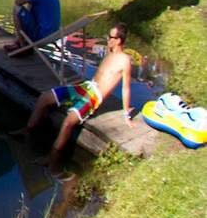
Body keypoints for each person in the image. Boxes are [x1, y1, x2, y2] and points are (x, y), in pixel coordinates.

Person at [18, 23, 133, 174]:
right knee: (44, 98)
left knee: (68, 122)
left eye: (111, 37)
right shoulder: (109, 52)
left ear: (118, 40)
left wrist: (126, 115)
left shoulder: (124, 60)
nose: (107, 39)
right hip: (85, 87)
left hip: (94, 96)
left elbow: (126, 88)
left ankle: (53, 158)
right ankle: (28, 131)